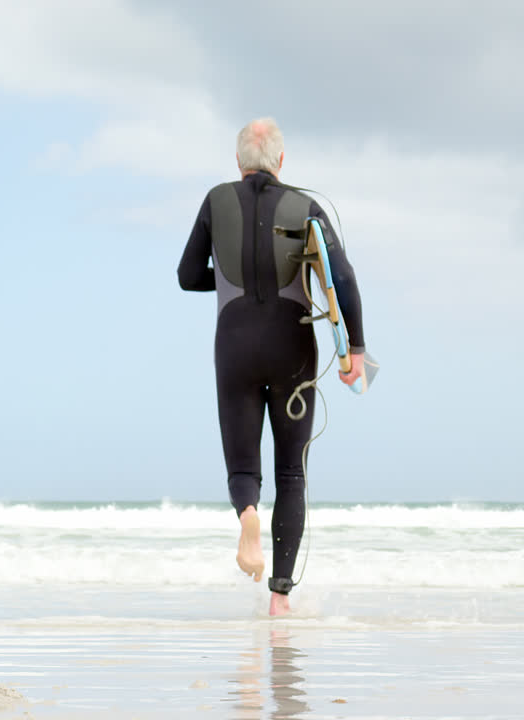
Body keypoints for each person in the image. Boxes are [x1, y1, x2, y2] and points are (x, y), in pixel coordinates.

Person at [178, 118, 366, 616]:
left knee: (244, 464)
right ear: (281, 162)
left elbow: (186, 275)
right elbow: (341, 276)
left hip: (234, 344)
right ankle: (280, 599)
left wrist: (229, 283)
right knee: (291, 473)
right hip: (293, 347)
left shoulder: (215, 201)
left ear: (238, 162)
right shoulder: (306, 206)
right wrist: (358, 349)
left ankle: (247, 516)